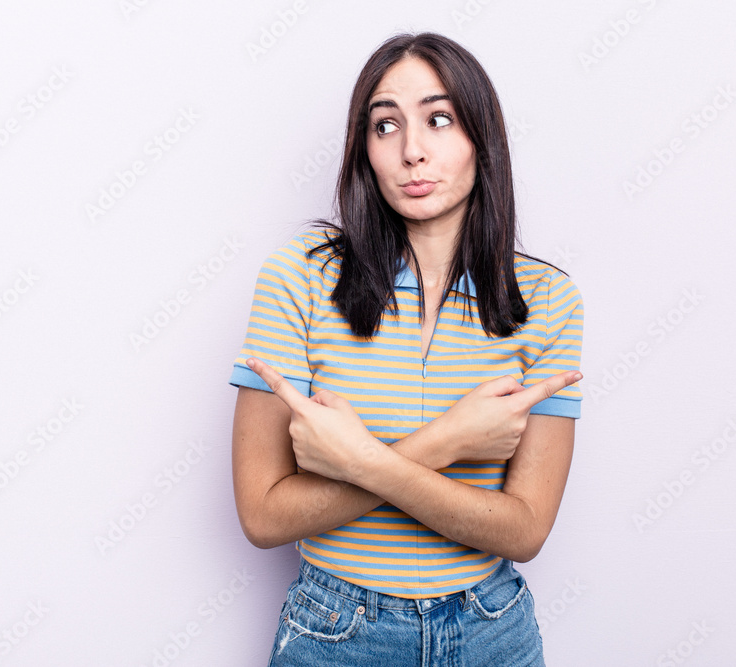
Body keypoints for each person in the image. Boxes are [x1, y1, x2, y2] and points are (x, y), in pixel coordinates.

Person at [229, 31, 584, 666]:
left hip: (491, 630)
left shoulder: (548, 298)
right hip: (336, 631)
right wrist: (449, 441)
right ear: (364, 150)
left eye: (439, 119)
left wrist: (357, 459)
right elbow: (262, 515)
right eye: (385, 126)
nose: (412, 151)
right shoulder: (299, 277)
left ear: (482, 138)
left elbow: (525, 530)